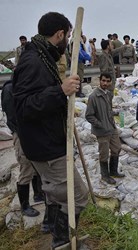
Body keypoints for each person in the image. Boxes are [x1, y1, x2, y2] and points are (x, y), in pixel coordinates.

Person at [12, 12, 88, 248]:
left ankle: (54, 229)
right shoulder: (33, 61)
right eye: (66, 36)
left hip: (45, 141)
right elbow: (23, 106)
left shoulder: (40, 54)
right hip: (47, 147)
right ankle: (62, 242)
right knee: (78, 196)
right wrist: (60, 91)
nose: (67, 41)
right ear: (60, 34)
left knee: (55, 193)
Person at [1, 80, 44, 217]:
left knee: (37, 163)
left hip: (33, 131)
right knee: (26, 165)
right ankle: (24, 205)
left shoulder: (27, 85)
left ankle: (38, 193)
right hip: (21, 133)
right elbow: (13, 116)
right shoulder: (9, 90)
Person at [85, 73, 125, 184]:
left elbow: (107, 111)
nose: (105, 83)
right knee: (104, 154)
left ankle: (113, 171)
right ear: (100, 81)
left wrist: (115, 113)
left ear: (111, 82)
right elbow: (89, 115)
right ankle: (105, 175)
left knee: (116, 148)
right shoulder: (94, 97)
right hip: (102, 131)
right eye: (103, 81)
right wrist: (100, 124)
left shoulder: (108, 94)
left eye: (108, 81)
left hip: (111, 128)